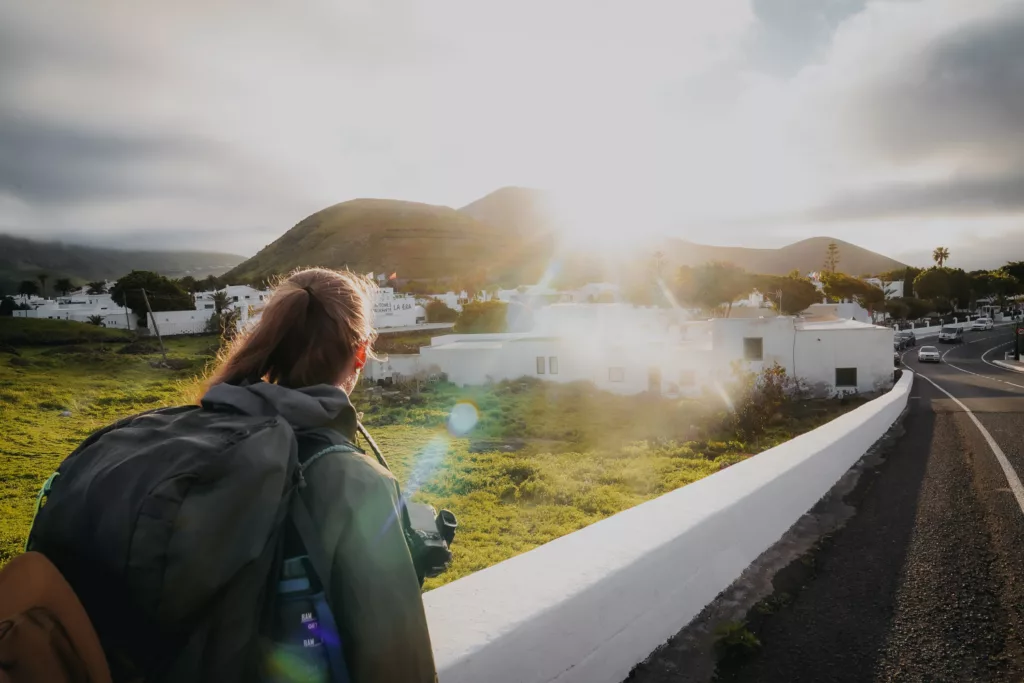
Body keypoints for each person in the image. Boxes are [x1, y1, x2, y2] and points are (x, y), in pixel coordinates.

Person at [201, 267, 437, 682]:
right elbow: (401, 663)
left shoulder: (202, 430)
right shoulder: (353, 481)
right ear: (361, 353)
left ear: (271, 344)